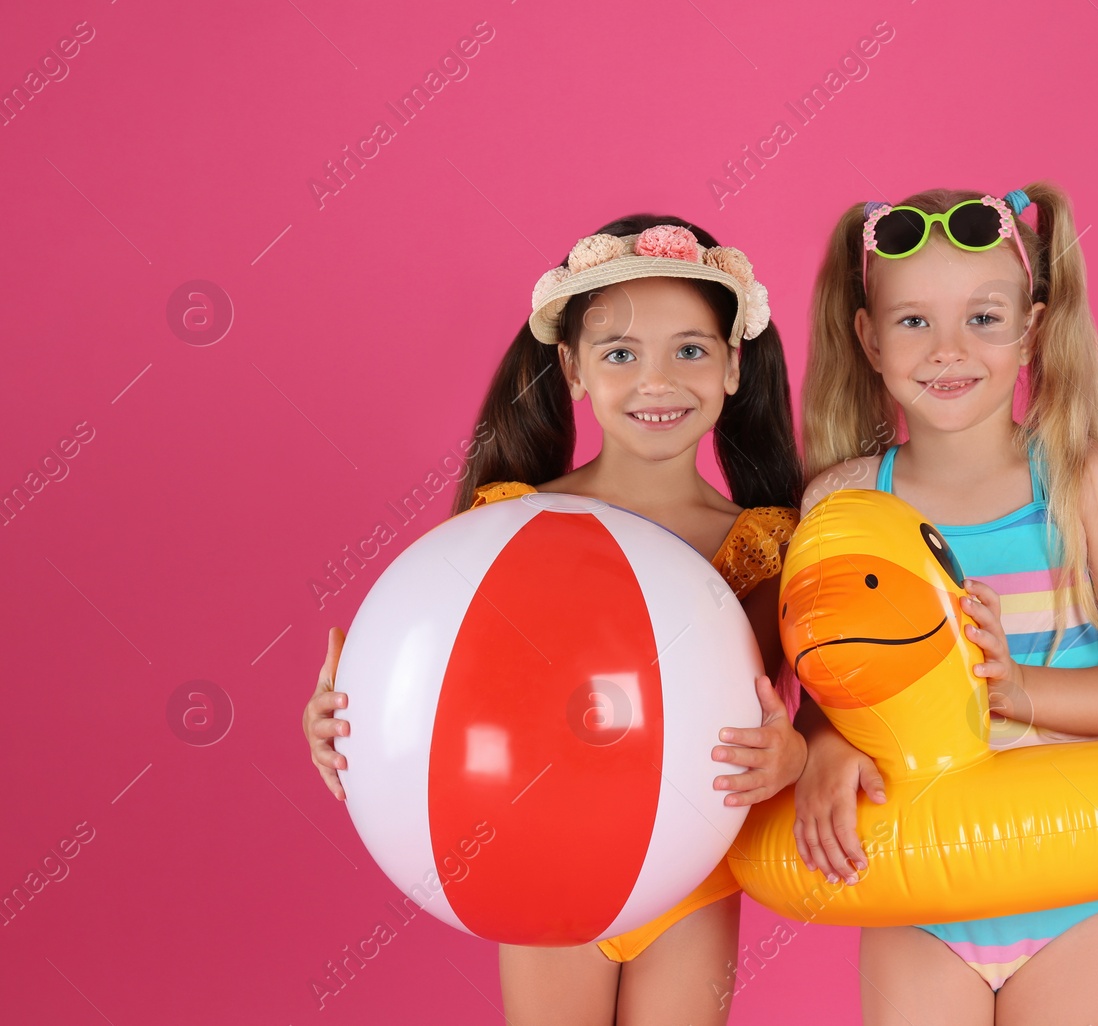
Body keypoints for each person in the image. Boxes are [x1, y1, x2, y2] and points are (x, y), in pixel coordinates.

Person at [301, 213, 808, 1026]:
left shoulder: (763, 544)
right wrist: (350, 719)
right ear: (571, 369)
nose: (658, 381)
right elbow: (449, 682)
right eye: (619, 354)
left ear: (734, 365)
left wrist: (793, 758)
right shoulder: (511, 525)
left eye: (690, 349)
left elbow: (810, 715)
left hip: (694, 876)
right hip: (540, 855)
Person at [792, 183, 1098, 1025]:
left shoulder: (1083, 485)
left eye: (982, 318)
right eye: (913, 322)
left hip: (1071, 895)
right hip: (920, 892)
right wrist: (824, 744)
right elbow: (829, 679)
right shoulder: (841, 502)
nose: (948, 349)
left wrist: (1025, 692)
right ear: (868, 338)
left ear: (1033, 331)